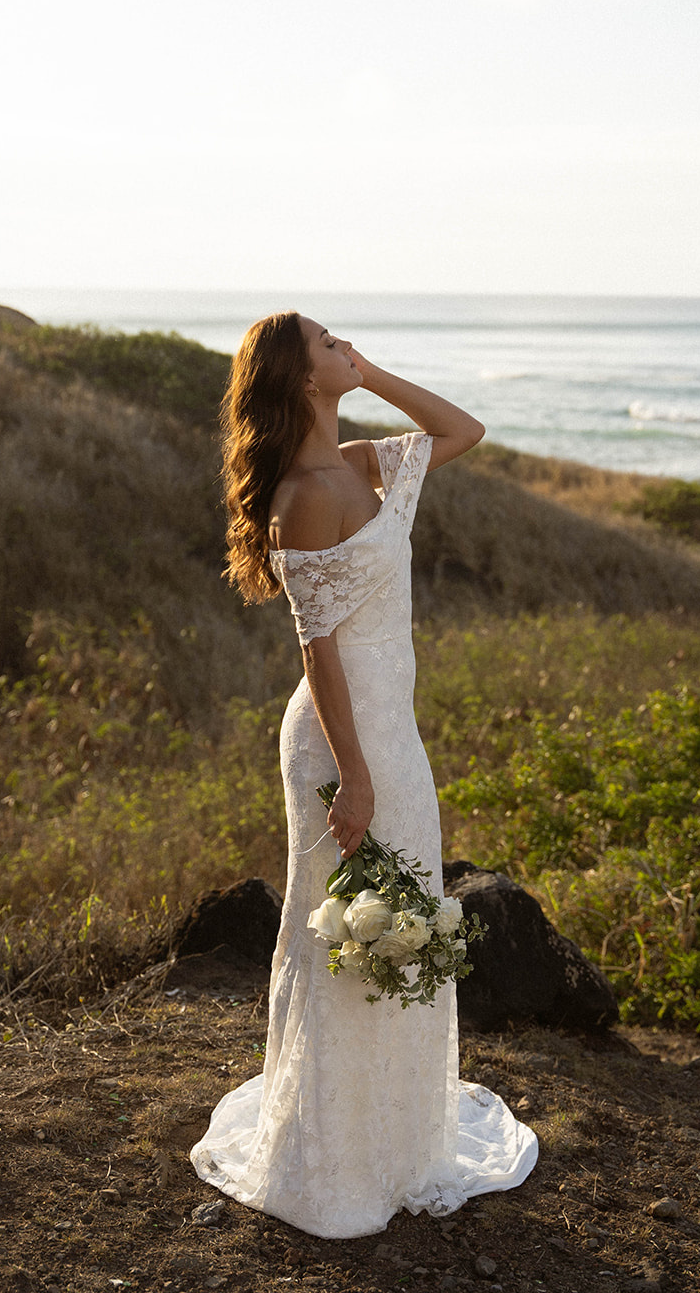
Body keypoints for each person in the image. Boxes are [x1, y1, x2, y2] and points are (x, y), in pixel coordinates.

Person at [190, 312, 537, 1239]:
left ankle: (395, 1136)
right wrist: (354, 777)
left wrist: (368, 371)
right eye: (331, 343)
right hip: (343, 740)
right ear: (302, 377)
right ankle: (332, 1148)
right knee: (341, 924)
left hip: (391, 728)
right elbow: (319, 654)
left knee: (405, 907)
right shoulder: (304, 492)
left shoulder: (357, 460)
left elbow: (460, 431)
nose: (347, 345)